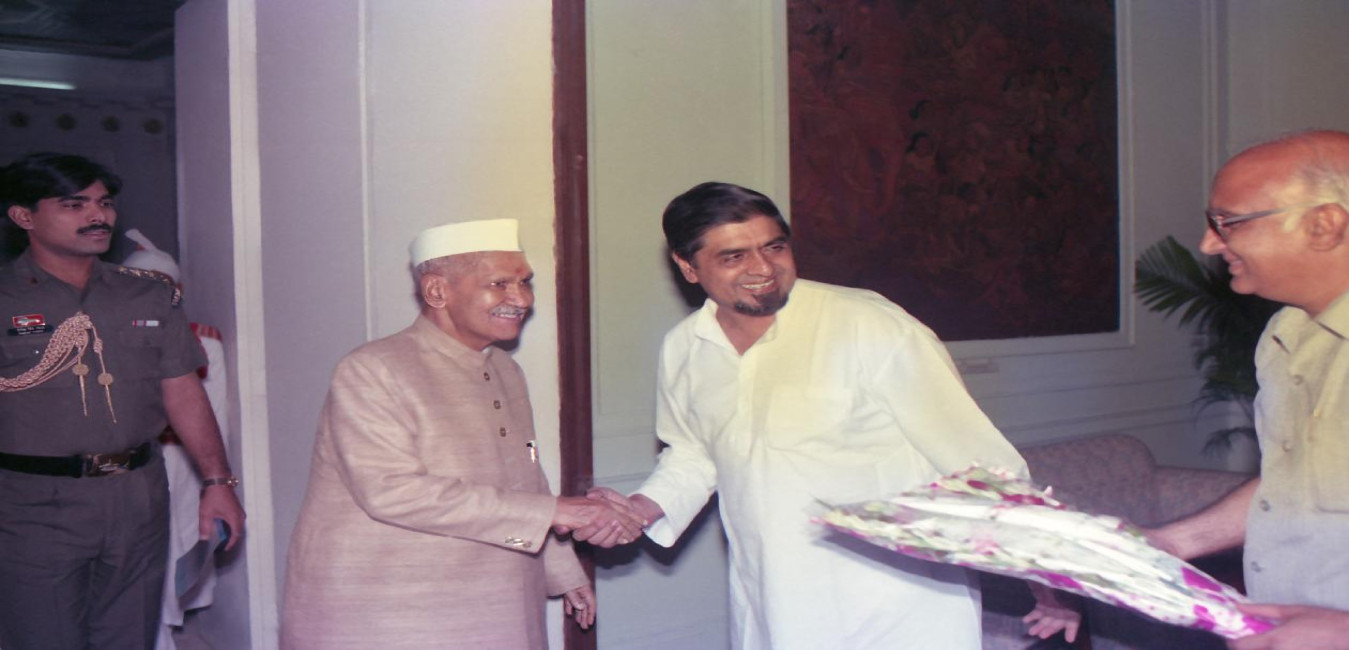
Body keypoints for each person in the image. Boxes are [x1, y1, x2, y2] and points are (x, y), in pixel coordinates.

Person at [589, 182, 1077, 649]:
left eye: (775, 247)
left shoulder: (868, 324)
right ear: (688, 266)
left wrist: (1047, 578)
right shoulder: (684, 349)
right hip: (774, 597)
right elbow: (695, 453)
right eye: (734, 256)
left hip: (898, 601)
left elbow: (979, 463)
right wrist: (641, 508)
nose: (764, 268)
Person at [281, 218, 645, 649]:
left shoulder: (506, 370)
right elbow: (392, 492)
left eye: (525, 283)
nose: (521, 299)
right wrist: (558, 512)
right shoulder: (373, 369)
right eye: (499, 284)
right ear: (437, 291)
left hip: (496, 598)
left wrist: (563, 570)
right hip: (389, 607)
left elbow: (528, 475)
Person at [0, 152, 245, 650]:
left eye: (105, 202)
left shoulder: (149, 295)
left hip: (137, 496)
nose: (99, 215)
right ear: (24, 216)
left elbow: (183, 391)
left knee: (130, 636)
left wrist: (218, 482)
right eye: (74, 204)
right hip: (32, 503)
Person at [1150, 130, 1349, 650]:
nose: (1209, 244)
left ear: (1324, 225)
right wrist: (1171, 541)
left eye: (1229, 222)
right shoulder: (1287, 335)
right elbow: (1295, 483)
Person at [120, 228, 229, 650]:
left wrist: (216, 478)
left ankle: (161, 629)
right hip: (124, 462)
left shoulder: (202, 340)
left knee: (172, 539)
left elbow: (214, 411)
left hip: (180, 460)